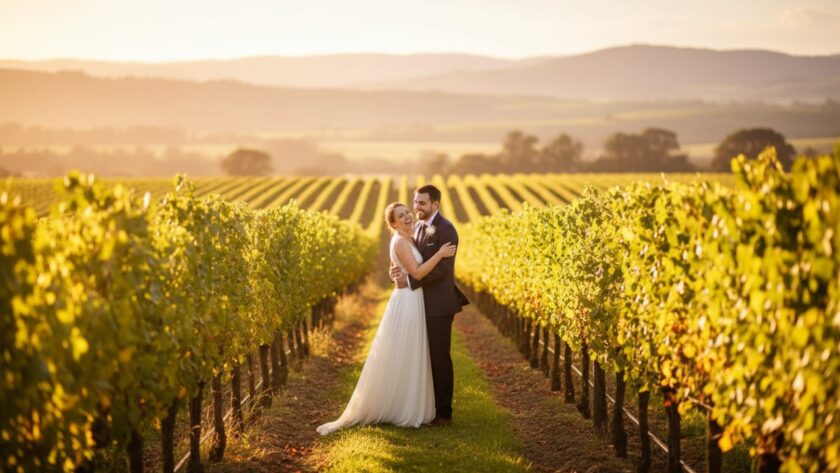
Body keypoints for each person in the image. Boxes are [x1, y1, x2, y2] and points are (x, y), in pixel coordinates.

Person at [316, 202, 456, 435]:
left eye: (407, 212)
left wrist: (395, 273)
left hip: (413, 298)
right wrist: (440, 254)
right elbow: (417, 272)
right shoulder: (400, 241)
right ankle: (404, 407)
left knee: (411, 353)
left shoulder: (410, 237)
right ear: (393, 223)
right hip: (408, 301)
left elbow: (399, 268)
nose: (407, 216)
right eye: (401, 215)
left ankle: (409, 403)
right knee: (408, 352)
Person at [390, 185, 469, 426]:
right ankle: (425, 406)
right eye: (415, 202)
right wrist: (396, 273)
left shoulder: (446, 229)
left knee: (439, 357)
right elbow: (408, 260)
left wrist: (410, 281)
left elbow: (443, 270)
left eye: (422, 203)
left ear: (436, 204)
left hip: (439, 305)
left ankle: (444, 413)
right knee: (424, 356)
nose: (416, 207)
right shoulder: (417, 228)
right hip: (419, 303)